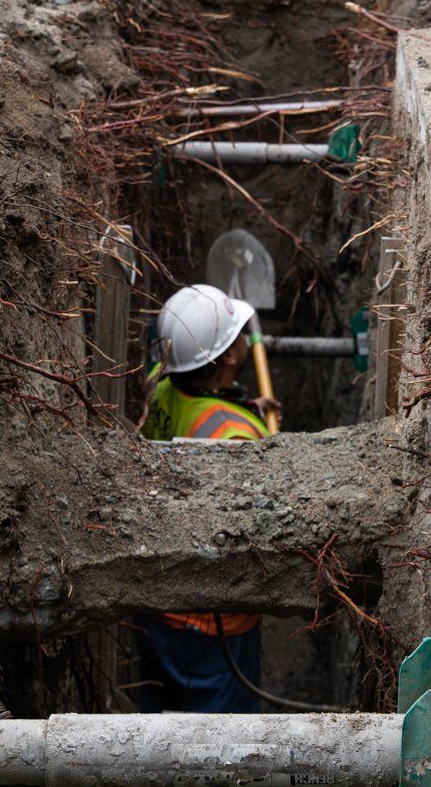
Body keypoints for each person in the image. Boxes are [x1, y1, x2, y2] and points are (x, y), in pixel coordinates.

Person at [135, 284, 280, 712]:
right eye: (237, 334)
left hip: (155, 599)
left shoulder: (157, 389)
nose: (243, 340)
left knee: (157, 727)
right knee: (220, 746)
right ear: (231, 356)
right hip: (217, 623)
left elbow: (195, 409)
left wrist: (247, 404)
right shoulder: (235, 434)